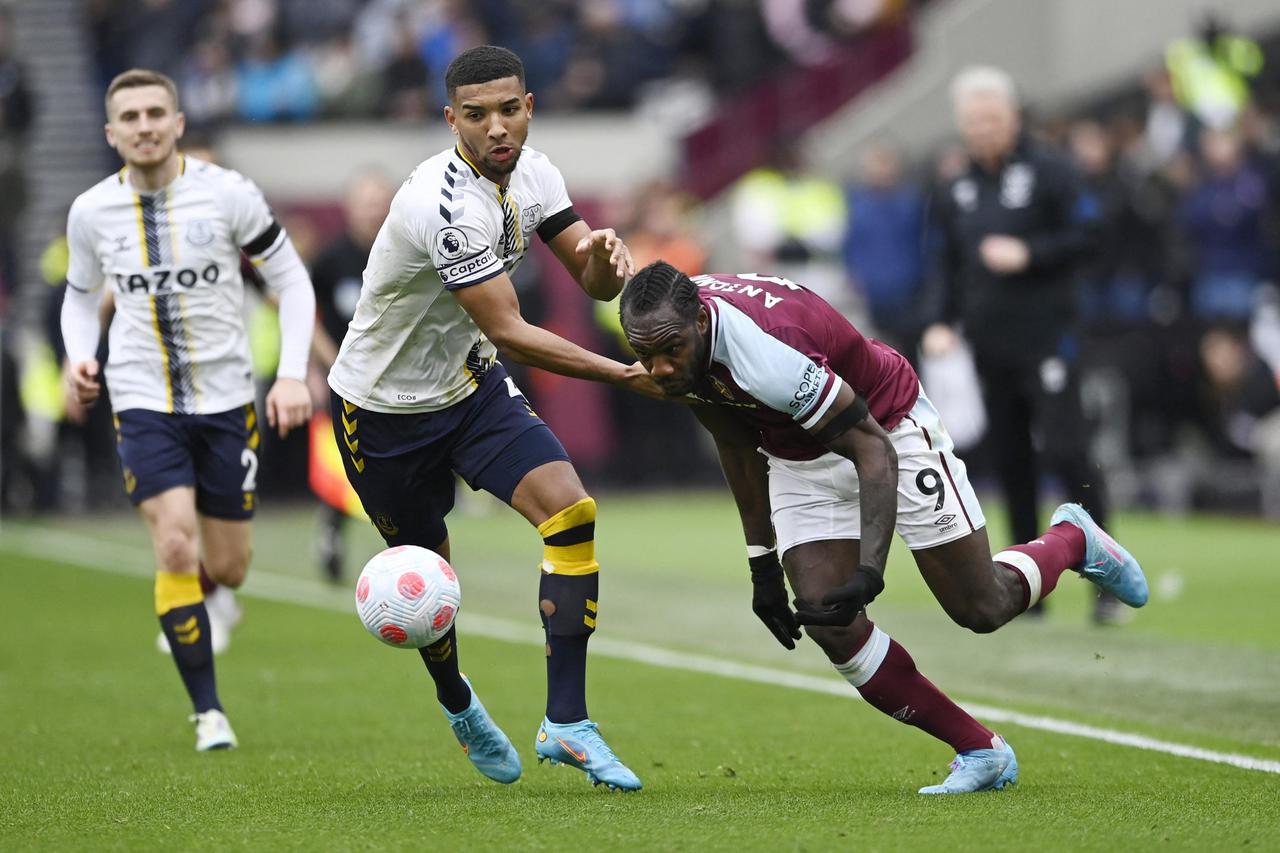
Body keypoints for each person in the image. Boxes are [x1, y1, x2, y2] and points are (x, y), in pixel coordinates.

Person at [618, 261, 1149, 794]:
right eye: (646, 356)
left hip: (887, 423)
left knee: (981, 607)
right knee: (830, 621)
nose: (659, 368)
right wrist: (762, 568)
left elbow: (871, 449)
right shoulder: (674, 334)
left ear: (703, 324)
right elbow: (734, 441)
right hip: (798, 454)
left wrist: (871, 569)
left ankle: (1073, 539)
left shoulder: (768, 352)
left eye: (670, 351)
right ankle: (980, 749)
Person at [327, 45, 655, 791]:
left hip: (468, 387)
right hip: (382, 411)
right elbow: (509, 328)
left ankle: (566, 723)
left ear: (529, 107)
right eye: (476, 115)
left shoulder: (536, 173)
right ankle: (457, 699)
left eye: (509, 109)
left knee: (570, 513)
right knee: (428, 579)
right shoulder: (440, 207)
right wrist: (621, 374)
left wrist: (605, 255)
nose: (496, 127)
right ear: (452, 120)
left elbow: (593, 280)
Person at [61, 69, 316, 751]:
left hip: (227, 399)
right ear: (111, 133)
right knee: (174, 540)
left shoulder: (227, 195)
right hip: (142, 397)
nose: (143, 126)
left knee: (229, 564)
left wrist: (291, 375)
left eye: (155, 113)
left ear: (177, 123)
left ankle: (218, 593)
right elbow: (80, 297)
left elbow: (290, 279)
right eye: (129, 117)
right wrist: (78, 356)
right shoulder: (90, 212)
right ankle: (209, 712)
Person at [924, 66, 1121, 622]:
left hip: (1049, 336)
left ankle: (1105, 580)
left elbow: (1092, 234)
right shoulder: (954, 185)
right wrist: (938, 321)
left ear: (1013, 116)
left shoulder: (1053, 171)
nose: (983, 129)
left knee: (1068, 450)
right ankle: (1026, 588)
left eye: (992, 118)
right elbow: (943, 263)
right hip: (990, 342)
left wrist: (1030, 253)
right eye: (973, 121)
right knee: (1010, 459)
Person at [309, 169, 396, 583]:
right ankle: (332, 535)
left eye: (379, 204)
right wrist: (323, 365)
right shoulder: (331, 260)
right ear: (349, 209)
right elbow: (304, 314)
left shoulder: (407, 251)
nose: (372, 212)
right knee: (346, 466)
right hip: (348, 385)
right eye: (365, 204)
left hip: (402, 383)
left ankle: (409, 553)